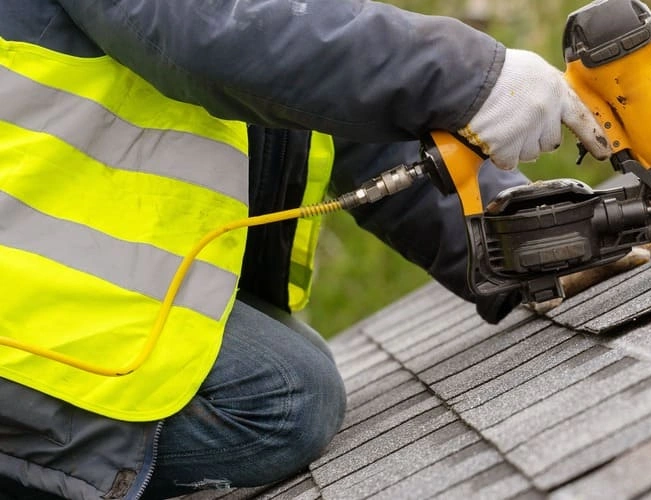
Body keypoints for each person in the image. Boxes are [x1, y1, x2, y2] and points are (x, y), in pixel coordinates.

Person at [0, 0, 612, 498]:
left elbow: (335, 108)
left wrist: (520, 240)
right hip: (20, 313)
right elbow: (208, 31)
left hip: (62, 284)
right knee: (282, 399)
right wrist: (465, 74)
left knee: (291, 372)